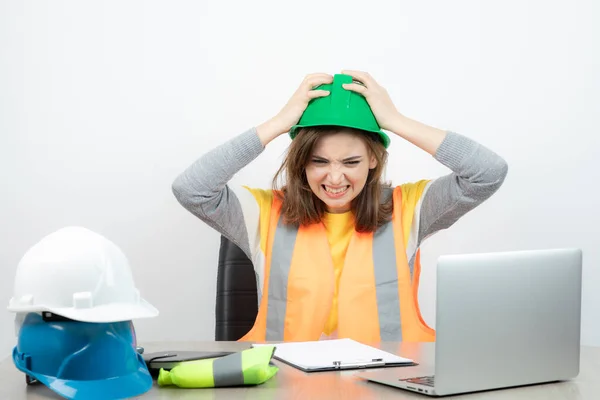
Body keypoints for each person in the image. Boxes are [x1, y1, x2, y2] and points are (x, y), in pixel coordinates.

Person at [172, 71, 508, 343]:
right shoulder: (263, 213)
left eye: (351, 161)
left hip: (388, 386)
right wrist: (278, 123)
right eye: (319, 161)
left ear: (374, 159)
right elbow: (192, 189)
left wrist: (395, 121)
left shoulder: (411, 208)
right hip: (286, 386)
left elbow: (487, 173)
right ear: (301, 162)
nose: (335, 177)